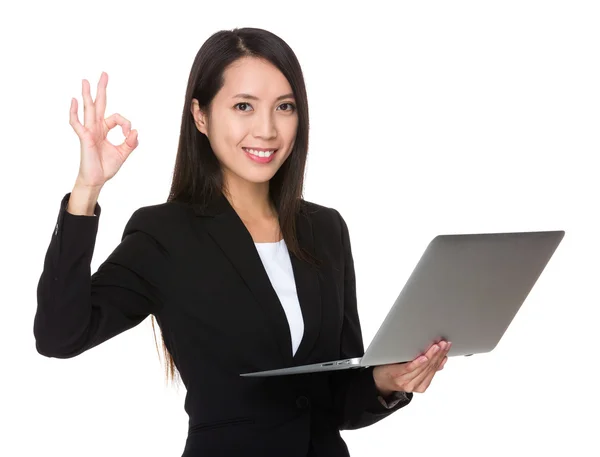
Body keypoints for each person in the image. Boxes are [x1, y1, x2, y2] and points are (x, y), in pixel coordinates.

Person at [34, 27, 450, 457]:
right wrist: (87, 189)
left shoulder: (325, 230)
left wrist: (388, 380)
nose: (267, 129)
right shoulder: (166, 234)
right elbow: (59, 336)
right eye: (243, 106)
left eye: (284, 107)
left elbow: (332, 399)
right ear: (200, 116)